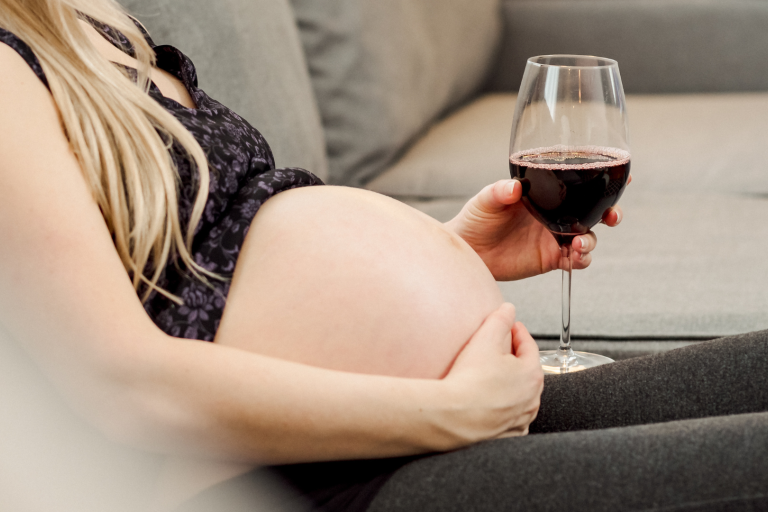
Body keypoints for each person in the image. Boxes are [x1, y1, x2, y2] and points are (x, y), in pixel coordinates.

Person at [0, 2, 767, 511]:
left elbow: (210, 266)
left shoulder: (82, 19)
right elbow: (125, 385)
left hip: (391, 427)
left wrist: (449, 254)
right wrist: (447, 412)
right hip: (299, 480)